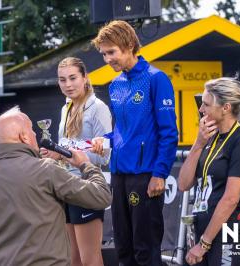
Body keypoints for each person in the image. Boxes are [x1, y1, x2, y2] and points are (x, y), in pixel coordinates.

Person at [0, 106, 112, 266]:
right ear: (23, 137)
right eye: (31, 130)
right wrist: (85, 164)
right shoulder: (47, 169)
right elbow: (102, 196)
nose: (34, 134)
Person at [91, 20, 178, 266]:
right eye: (104, 54)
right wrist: (103, 140)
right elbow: (121, 132)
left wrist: (160, 173)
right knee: (123, 249)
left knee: (145, 250)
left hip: (145, 175)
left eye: (112, 52)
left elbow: (169, 132)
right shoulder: (116, 84)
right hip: (118, 175)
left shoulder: (156, 79)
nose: (108, 59)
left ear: (129, 46)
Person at [178, 77, 240, 265]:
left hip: (227, 233)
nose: (201, 110)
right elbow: (183, 184)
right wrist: (198, 144)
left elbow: (231, 199)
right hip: (204, 230)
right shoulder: (210, 138)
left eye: (206, 105)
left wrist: (204, 243)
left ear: (226, 107)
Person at [41, 57, 112, 266]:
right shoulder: (66, 107)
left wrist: (63, 154)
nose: (68, 84)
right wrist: (52, 152)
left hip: (87, 187)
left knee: (90, 259)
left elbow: (105, 155)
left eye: (73, 78)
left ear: (85, 77)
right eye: (62, 80)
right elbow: (69, 146)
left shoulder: (98, 108)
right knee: (73, 260)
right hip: (65, 185)